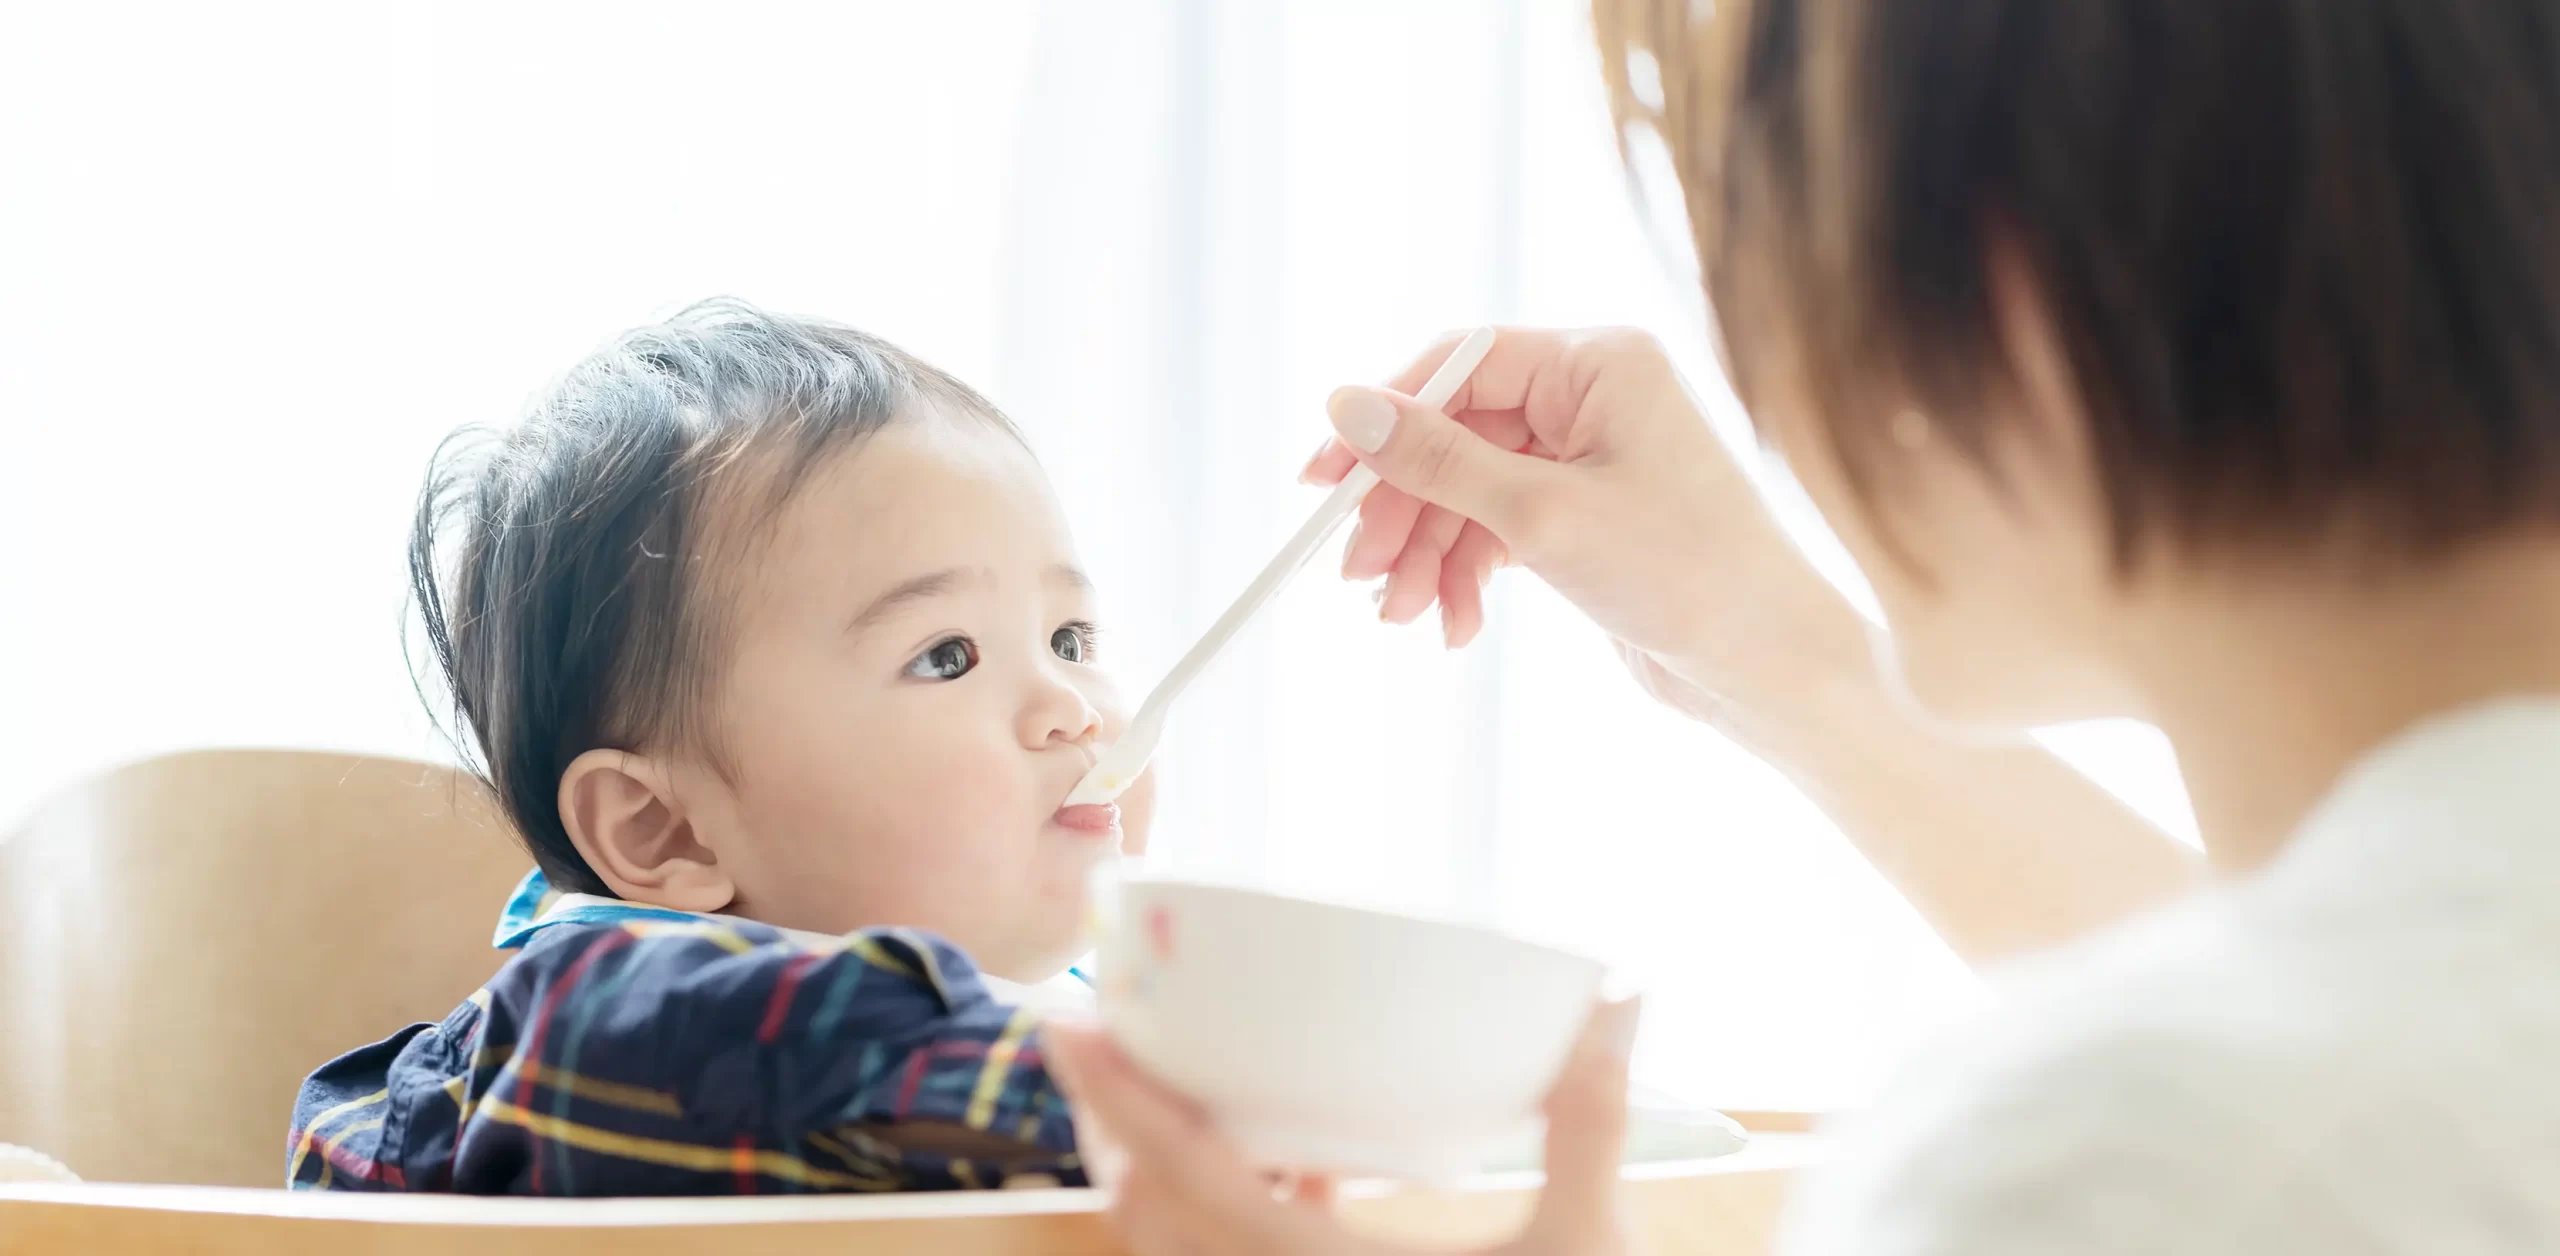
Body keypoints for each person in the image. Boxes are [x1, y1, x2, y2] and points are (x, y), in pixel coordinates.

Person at [1043, 1, 2560, 1251]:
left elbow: (2273, 1090)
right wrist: (1772, 643)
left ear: (1998, 283)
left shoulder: (2123, 1161)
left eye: (1769, 265)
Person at [289, 299, 1157, 1193]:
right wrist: (1198, 1104)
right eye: (947, 657)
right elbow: (760, 1049)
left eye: (1071, 641)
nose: (1073, 710)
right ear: (668, 832)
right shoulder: (603, 1046)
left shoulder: (1083, 1007)